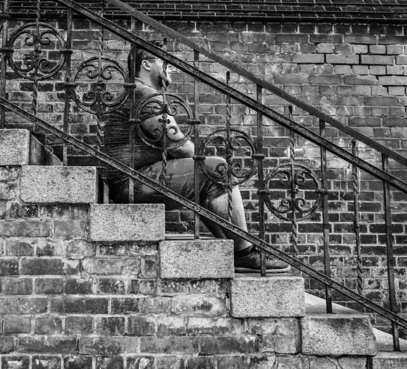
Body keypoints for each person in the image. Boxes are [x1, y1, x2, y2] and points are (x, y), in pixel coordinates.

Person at [102, 41, 288, 274]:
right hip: (133, 183)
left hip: (131, 181)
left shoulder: (135, 94)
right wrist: (204, 156)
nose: (170, 68)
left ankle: (234, 249)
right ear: (146, 64)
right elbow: (178, 145)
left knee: (206, 180)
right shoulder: (145, 95)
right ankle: (246, 252)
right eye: (164, 61)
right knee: (217, 169)